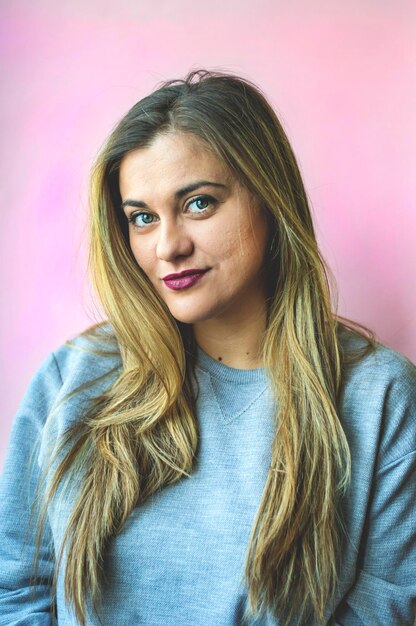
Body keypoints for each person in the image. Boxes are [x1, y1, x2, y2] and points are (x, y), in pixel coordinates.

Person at [0, 69, 415, 626]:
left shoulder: (380, 397)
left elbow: (387, 607)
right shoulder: (74, 377)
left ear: (269, 198)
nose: (168, 245)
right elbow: (15, 588)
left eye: (198, 204)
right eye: (142, 218)